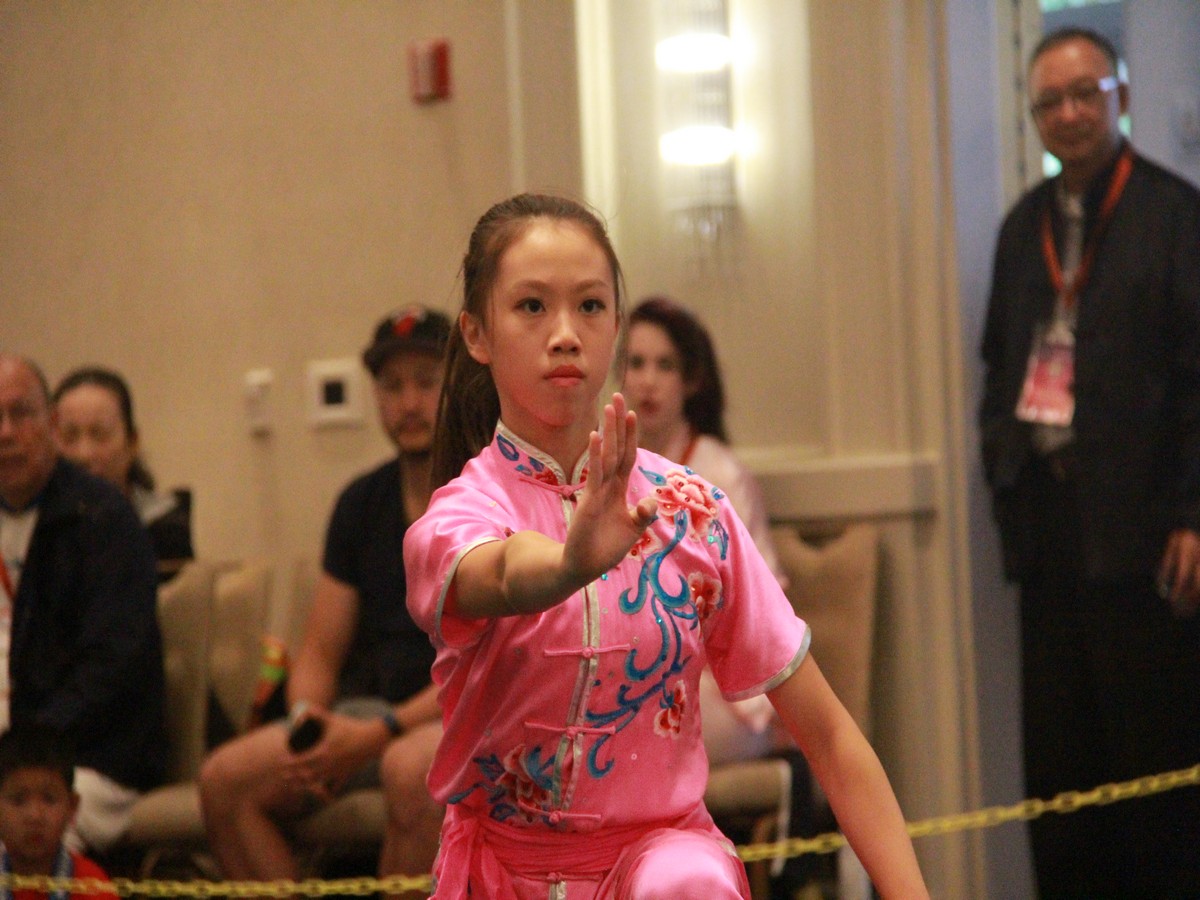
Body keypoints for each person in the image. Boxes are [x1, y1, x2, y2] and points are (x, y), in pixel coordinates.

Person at [404, 193, 928, 898]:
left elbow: (830, 738)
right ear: (477, 333)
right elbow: (496, 575)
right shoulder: (460, 513)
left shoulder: (691, 510)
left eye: (591, 306)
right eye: (531, 306)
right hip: (502, 876)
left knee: (686, 882)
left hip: (658, 866)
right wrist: (568, 565)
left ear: (616, 326)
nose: (566, 334)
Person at [979, 27, 1200, 898]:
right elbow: (1001, 368)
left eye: (1085, 94)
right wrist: (1005, 482)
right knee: (1062, 771)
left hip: (1148, 538)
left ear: (1122, 97)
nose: (1068, 113)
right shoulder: (1019, 229)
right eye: (1050, 101)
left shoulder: (1175, 216)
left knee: (1154, 767)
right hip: (1049, 532)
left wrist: (1193, 513)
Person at [198, 306, 450, 894]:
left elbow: (486, 664)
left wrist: (378, 733)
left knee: (408, 771)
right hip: (373, 717)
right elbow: (317, 650)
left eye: (426, 382)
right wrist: (310, 724)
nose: (409, 403)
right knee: (223, 781)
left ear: (459, 386)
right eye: (392, 386)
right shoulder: (360, 503)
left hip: (459, 716)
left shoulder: (485, 492)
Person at [0, 354, 166, 856]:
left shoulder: (101, 520)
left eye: (20, 414)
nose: (5, 433)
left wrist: (22, 750)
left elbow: (110, 672)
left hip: (88, 759)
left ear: (51, 424)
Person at [623, 296, 784, 766]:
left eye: (665, 365)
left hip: (725, 689)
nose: (647, 381)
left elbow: (765, 602)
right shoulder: (612, 467)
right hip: (639, 673)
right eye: (636, 363)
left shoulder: (719, 473)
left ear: (691, 381)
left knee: (630, 738)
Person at [52, 366, 194, 582]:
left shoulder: (163, 527)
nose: (84, 454)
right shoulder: (40, 529)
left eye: (99, 435)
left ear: (132, 443)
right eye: (69, 437)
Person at [0, 724, 112, 900]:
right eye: (18, 800)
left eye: (49, 799)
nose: (35, 816)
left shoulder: (93, 888)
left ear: (72, 807)